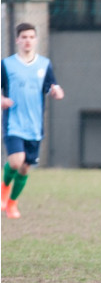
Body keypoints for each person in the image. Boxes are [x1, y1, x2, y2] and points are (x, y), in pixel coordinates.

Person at [1, 23, 65, 219]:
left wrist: (56, 91)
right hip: (14, 122)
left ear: (36, 40)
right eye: (24, 37)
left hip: (34, 125)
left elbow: (52, 87)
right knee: (16, 160)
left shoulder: (44, 64)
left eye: (31, 37)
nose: (28, 40)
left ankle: (12, 203)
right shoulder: (7, 64)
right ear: (17, 40)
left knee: (25, 167)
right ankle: (4, 190)